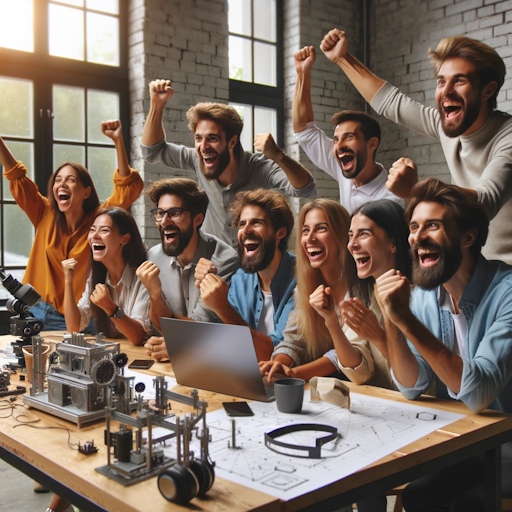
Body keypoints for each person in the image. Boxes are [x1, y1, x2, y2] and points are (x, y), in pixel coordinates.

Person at [375, 178, 512, 511]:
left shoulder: (507, 291)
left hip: (506, 444)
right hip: (471, 443)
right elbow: (412, 385)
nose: (417, 237)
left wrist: (405, 319)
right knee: (418, 496)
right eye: (414, 227)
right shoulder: (425, 296)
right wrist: (392, 320)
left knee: (470, 505)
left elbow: (479, 392)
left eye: (432, 226)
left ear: (468, 237)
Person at [319, 29, 512, 264]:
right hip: (473, 267)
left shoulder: (507, 135)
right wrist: (342, 58)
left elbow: (485, 202)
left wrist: (417, 190)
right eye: (441, 81)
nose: (446, 91)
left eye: (459, 80)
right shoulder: (448, 125)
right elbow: (393, 103)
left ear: (488, 90)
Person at [0, 120, 143, 330]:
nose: (62, 184)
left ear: (86, 191)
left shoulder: (99, 220)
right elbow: (16, 175)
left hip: (81, 319)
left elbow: (128, 188)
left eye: (70, 180)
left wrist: (118, 140)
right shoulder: (43, 211)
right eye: (58, 180)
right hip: (35, 311)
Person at [141, 79, 316, 248]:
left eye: (212, 139)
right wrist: (156, 105)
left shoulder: (259, 168)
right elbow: (152, 151)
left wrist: (278, 156)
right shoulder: (197, 159)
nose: (203, 147)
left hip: (251, 263)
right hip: (213, 264)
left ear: (232, 142)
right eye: (198, 138)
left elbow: (305, 188)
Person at [259, 199, 411, 389]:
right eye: (305, 231)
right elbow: (294, 339)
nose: (310, 238)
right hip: (359, 390)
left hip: (374, 389)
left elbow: (347, 354)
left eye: (321, 228)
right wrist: (281, 363)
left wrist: (295, 374)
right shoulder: (305, 288)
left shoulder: (365, 283)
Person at [292, 45, 408, 214]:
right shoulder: (345, 170)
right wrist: (302, 73)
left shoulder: (393, 197)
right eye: (336, 139)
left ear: (372, 143)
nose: (339, 146)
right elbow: (304, 130)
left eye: (348, 137)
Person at [136, 178, 239, 360]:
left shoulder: (224, 259)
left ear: (198, 219)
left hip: (215, 359)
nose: (165, 221)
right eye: (160, 213)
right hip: (170, 359)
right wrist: (155, 294)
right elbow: (159, 326)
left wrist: (178, 344)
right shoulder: (154, 256)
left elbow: (202, 327)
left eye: (175, 213)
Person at [196, 189, 296, 362]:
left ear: (280, 232)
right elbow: (225, 336)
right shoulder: (241, 279)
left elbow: (275, 353)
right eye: (242, 224)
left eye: (256, 223)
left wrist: (221, 306)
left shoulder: (300, 280)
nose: (246, 230)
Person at [62, 207, 151, 344]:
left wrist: (110, 307)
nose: (94, 236)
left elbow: (138, 336)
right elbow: (74, 327)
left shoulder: (143, 274)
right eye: (92, 230)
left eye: (104, 230)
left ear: (124, 239)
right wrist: (68, 281)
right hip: (118, 354)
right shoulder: (97, 275)